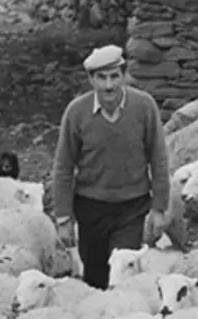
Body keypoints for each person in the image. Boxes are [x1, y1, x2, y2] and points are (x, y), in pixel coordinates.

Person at [49, 44, 171, 289]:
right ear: (91, 80)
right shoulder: (77, 112)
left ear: (124, 76)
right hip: (91, 207)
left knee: (124, 274)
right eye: (101, 78)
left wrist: (159, 207)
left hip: (132, 206)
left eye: (114, 76)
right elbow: (63, 167)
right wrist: (63, 218)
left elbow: (158, 158)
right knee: (95, 277)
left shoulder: (143, 107)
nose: (108, 85)